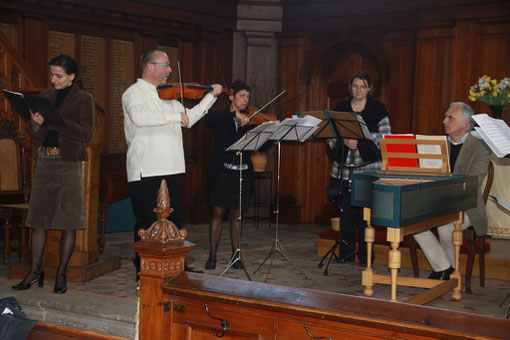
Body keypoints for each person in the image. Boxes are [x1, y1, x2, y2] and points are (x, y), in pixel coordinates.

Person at [122, 50, 222, 277]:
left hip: (172, 167)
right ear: (150, 67)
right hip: (145, 169)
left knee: (176, 222)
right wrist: (174, 117)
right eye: (165, 65)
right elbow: (140, 118)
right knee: (147, 223)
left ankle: (178, 267)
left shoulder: (168, 97)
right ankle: (143, 271)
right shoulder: (133, 93)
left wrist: (211, 97)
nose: (169, 71)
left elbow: (190, 119)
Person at [12, 54, 95, 294]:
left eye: (58, 76)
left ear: (71, 76)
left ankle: (61, 275)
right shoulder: (45, 97)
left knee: (68, 221)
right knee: (38, 220)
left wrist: (56, 122)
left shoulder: (84, 99)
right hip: (45, 161)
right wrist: (36, 123)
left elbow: (87, 133)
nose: (53, 80)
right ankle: (34, 271)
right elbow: (37, 133)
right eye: (51, 75)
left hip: (68, 163)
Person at [413, 102, 490, 280]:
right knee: (411, 222)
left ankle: (448, 273)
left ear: (464, 123)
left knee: (446, 226)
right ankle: (445, 269)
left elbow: (473, 181)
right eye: (445, 117)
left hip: (467, 205)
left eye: (450, 118)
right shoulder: (436, 145)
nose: (444, 121)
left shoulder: (480, 148)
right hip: (437, 203)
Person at [327, 70, 391, 266]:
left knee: (365, 215)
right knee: (345, 212)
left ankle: (365, 256)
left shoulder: (378, 109)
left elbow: (385, 138)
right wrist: (344, 141)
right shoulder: (341, 108)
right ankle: (345, 253)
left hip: (368, 169)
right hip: (344, 169)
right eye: (355, 86)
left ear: (369, 89)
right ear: (350, 88)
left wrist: (364, 136)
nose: (358, 90)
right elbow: (329, 136)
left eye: (362, 86)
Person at [204, 80, 253, 270]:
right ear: (231, 97)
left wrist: (270, 132)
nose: (245, 100)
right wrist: (234, 115)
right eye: (242, 96)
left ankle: (236, 255)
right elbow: (209, 119)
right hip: (222, 171)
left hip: (242, 173)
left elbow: (261, 147)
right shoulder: (223, 116)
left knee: (236, 215)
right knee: (218, 212)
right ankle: (212, 255)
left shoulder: (249, 120)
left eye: (247, 96)